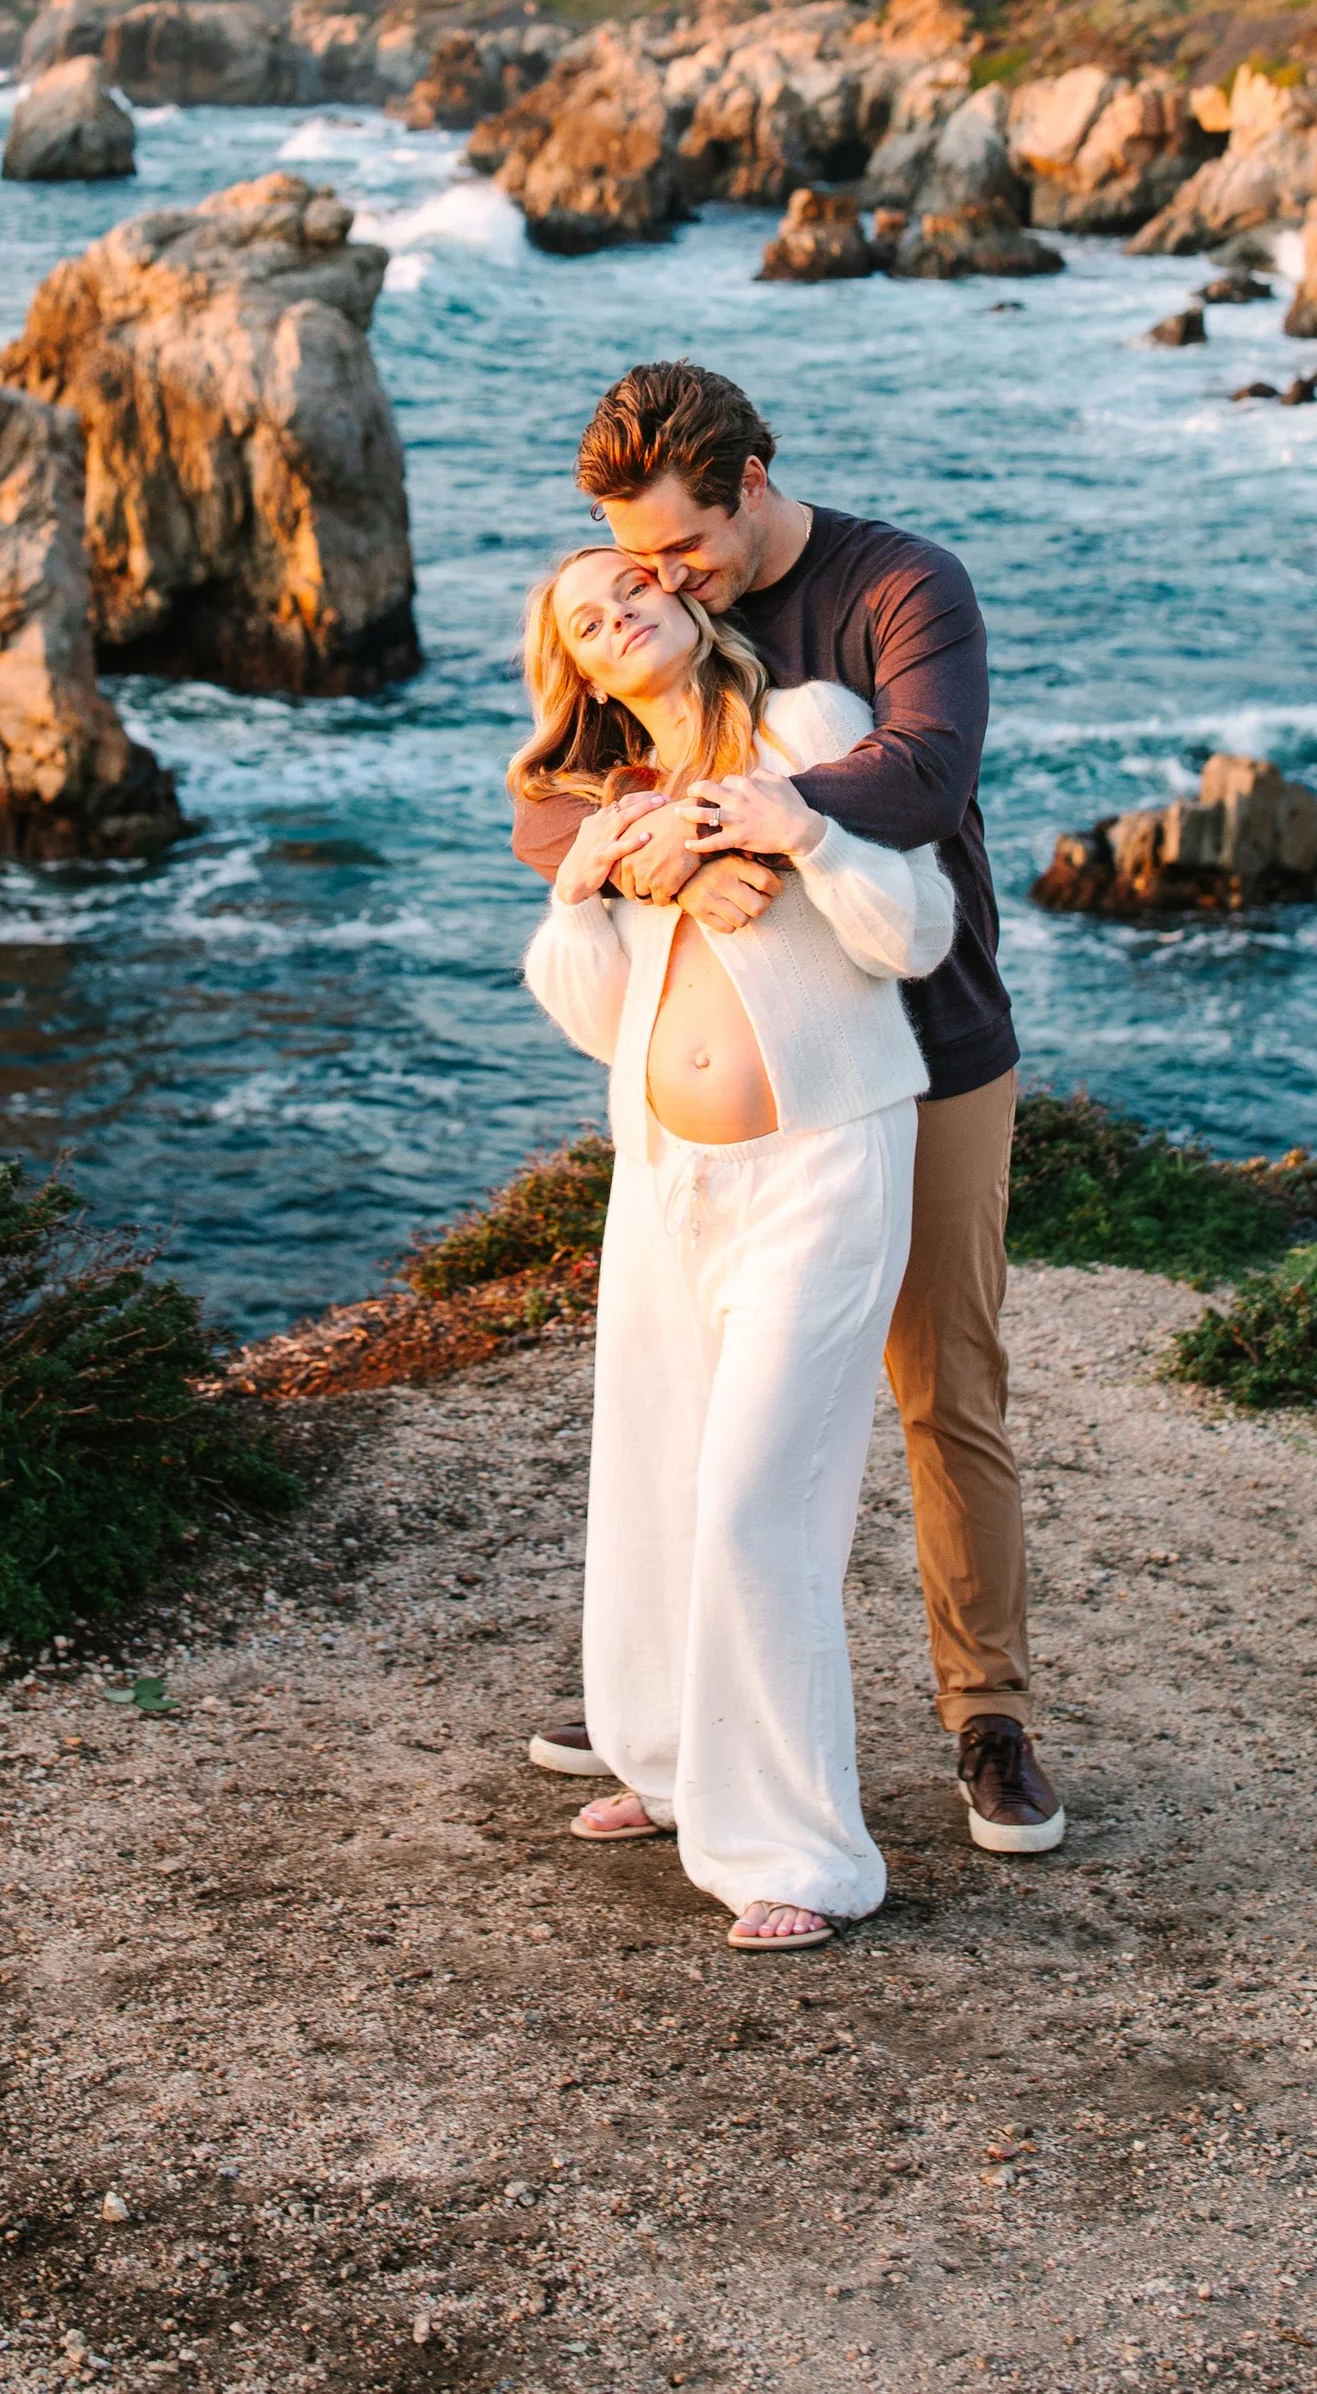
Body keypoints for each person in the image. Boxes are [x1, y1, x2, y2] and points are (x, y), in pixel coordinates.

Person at [511, 358, 1065, 1859]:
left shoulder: (901, 587)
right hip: (744, 1094)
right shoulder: (661, 602)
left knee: (941, 1382)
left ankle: (988, 1715)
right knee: (702, 1405)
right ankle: (683, 1709)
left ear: (751, 483)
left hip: (926, 1051)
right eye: (636, 559)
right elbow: (547, 795)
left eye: (682, 550)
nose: (658, 580)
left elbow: (926, 769)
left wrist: (769, 818)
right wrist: (650, 849)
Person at [515, 543, 956, 1947]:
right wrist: (582, 885)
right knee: (652, 1469)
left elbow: (919, 932)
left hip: (823, 1159)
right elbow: (593, 1013)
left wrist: (801, 830)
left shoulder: (811, 729)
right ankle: (664, 1760)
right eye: (588, 618)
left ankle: (799, 1852)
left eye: (631, 582)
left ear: (687, 599)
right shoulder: (621, 799)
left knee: (757, 1493)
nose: (619, 611)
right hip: (663, 1176)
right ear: (579, 670)